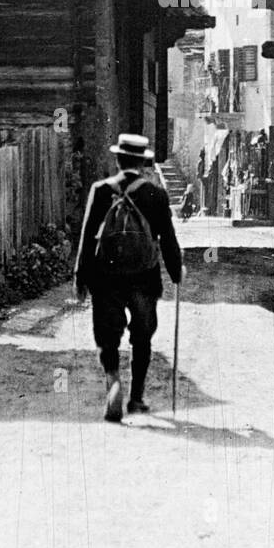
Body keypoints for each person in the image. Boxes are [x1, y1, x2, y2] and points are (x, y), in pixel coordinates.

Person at [74, 132, 185, 422]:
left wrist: (80, 277)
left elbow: (86, 238)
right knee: (142, 337)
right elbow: (169, 241)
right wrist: (176, 271)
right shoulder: (156, 195)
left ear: (118, 159)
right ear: (144, 162)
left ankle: (113, 381)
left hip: (106, 277)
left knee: (107, 336)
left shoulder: (100, 190)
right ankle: (136, 398)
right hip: (144, 278)